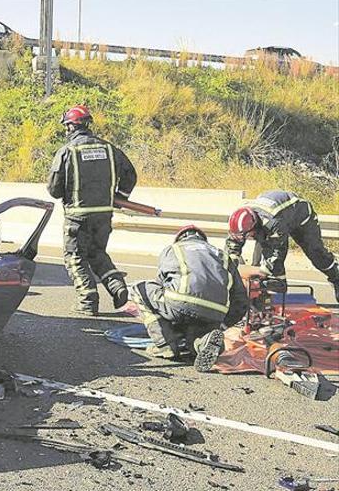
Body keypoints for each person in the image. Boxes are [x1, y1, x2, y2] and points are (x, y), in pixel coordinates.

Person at [48, 104, 138, 316]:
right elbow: (130, 175)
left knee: (75, 258)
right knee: (97, 253)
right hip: (104, 216)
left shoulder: (66, 152)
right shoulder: (109, 149)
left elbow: (53, 189)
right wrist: (119, 198)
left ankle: (87, 301)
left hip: (77, 218)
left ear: (71, 127)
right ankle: (118, 287)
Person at [130, 225, 248, 372]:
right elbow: (241, 299)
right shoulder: (221, 254)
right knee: (198, 333)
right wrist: (222, 325)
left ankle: (165, 345)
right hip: (214, 313)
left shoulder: (174, 249)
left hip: (181, 303)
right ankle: (203, 342)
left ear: (180, 238)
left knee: (139, 289)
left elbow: (162, 285)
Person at [227, 190, 339, 302]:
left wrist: (266, 277)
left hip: (300, 217)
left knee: (316, 254)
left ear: (254, 226)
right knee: (257, 264)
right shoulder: (239, 222)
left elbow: (276, 255)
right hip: (275, 219)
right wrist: (231, 270)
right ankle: (260, 294)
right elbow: (231, 249)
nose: (243, 239)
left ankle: (336, 277)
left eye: (247, 236)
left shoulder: (273, 225)